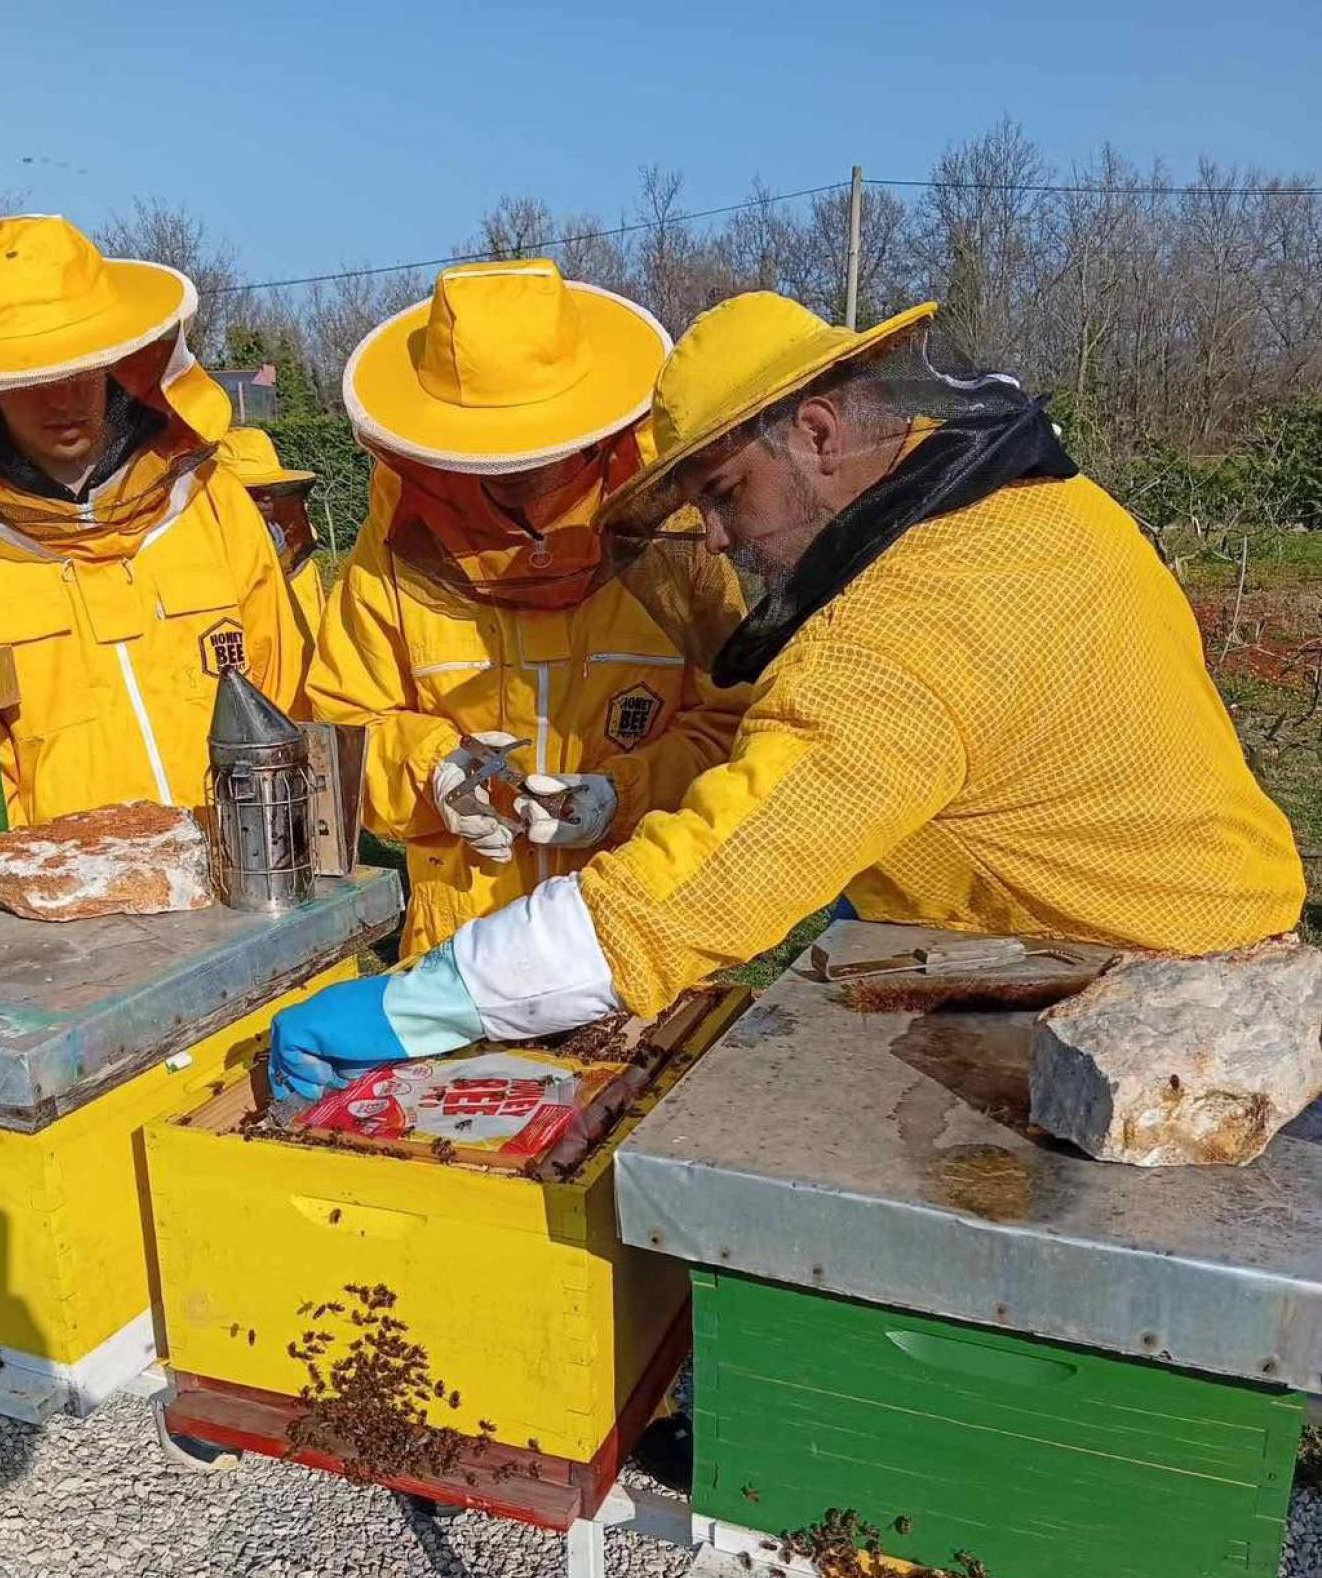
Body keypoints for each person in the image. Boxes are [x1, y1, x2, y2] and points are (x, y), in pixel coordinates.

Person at [273, 290, 1304, 1101]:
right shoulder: (1039, 512)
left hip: (1165, 1018)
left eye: (723, 494)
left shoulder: (912, 621)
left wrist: (422, 1005)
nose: (716, 539)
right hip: (1084, 952)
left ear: (815, 432)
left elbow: (707, 883)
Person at [307, 257, 749, 957]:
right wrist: (434, 774)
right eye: (490, 461)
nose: (521, 476)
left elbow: (735, 727)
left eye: (540, 452)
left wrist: (625, 794)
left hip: (638, 931)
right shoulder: (393, 552)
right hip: (463, 946)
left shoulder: (679, 540)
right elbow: (339, 731)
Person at [0, 216, 304, 825]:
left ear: (116, 362)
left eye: (79, 369)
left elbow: (282, 694)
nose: (62, 400)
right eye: (32, 378)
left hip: (244, 879)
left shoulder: (213, 503)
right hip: (63, 905)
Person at [216, 425, 325, 671]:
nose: (266, 499)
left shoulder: (303, 567)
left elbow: (317, 641)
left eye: (273, 491)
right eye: (255, 492)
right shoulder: (210, 573)